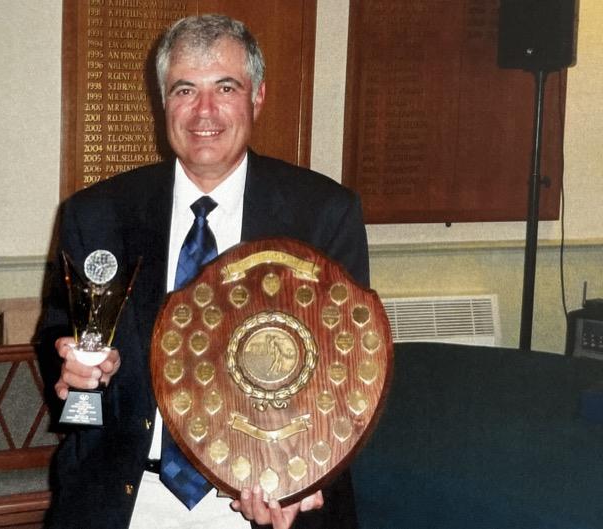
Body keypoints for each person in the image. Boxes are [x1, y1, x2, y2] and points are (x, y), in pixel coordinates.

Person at [37, 14, 369, 529]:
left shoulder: (323, 213)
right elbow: (61, 329)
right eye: (185, 89)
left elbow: (347, 369)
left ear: (257, 96)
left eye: (226, 87)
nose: (204, 111)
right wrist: (67, 366)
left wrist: (304, 481)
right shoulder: (96, 213)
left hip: (265, 498)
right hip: (127, 496)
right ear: (162, 101)